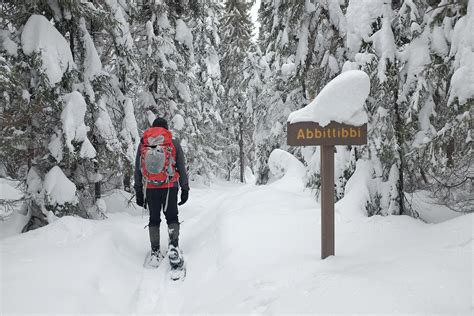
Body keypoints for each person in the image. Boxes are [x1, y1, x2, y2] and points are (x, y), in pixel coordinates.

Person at [134, 117, 189, 269]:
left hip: (150, 187)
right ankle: (173, 247)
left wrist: (138, 189)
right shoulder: (173, 142)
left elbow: (137, 168)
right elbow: (181, 167)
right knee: (172, 217)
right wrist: (185, 188)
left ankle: (155, 252)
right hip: (170, 186)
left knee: (154, 219)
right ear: (166, 128)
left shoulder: (144, 143)